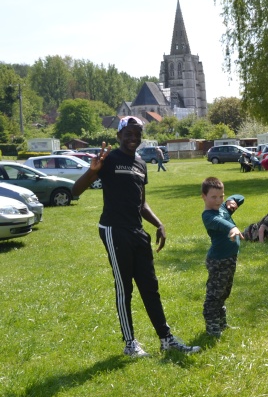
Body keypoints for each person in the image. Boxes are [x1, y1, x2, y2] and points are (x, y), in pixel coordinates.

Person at [72, 116, 200, 358]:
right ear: (119, 136)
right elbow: (75, 191)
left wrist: (159, 223)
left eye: (137, 134)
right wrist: (91, 173)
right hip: (114, 229)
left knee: (150, 287)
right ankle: (130, 343)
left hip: (137, 231)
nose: (133, 138)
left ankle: (166, 339)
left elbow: (141, 203)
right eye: (128, 134)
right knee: (125, 288)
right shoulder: (108, 160)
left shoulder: (141, 163)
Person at [201, 180, 244, 337]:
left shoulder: (224, 208)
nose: (218, 200)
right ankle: (212, 326)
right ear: (204, 197)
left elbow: (241, 197)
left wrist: (232, 199)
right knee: (214, 294)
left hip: (230, 258)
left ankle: (221, 322)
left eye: (221, 196)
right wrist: (232, 227)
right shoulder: (208, 216)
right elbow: (220, 223)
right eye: (214, 197)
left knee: (225, 291)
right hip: (218, 261)